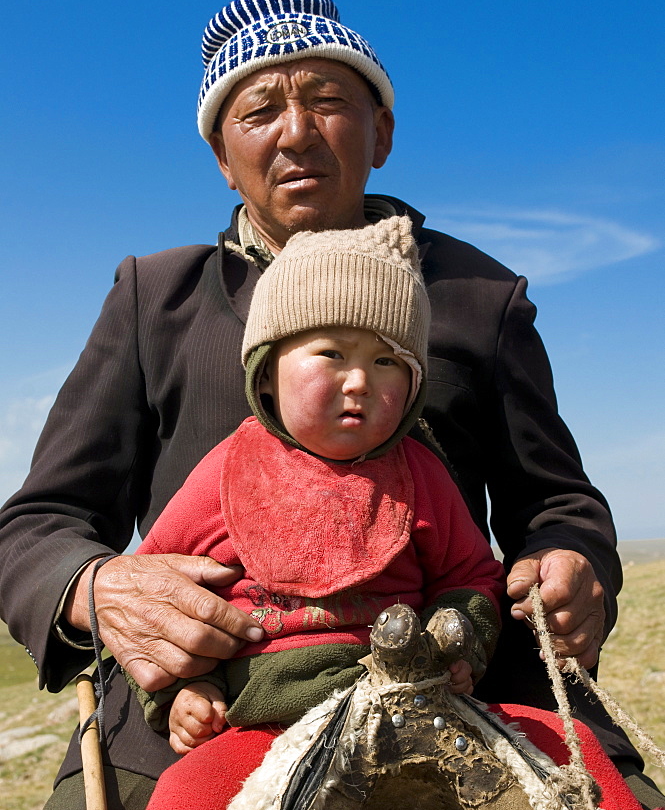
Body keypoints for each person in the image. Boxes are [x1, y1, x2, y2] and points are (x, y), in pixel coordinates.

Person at [0, 0, 660, 810]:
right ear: (223, 158)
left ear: (381, 133)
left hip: (452, 682)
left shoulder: (475, 295)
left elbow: (553, 500)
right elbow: (39, 523)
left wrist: (576, 561)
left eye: (328, 99)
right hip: (213, 710)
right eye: (259, 109)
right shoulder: (156, 298)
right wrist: (95, 589)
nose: (296, 132)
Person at [124, 214, 504, 756]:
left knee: (557, 753)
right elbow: (153, 595)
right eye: (331, 353)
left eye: (387, 361)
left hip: (410, 707)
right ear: (267, 370)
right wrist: (186, 690)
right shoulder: (225, 471)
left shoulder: (420, 474)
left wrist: (461, 643)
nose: (359, 381)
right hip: (255, 727)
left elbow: (470, 575)